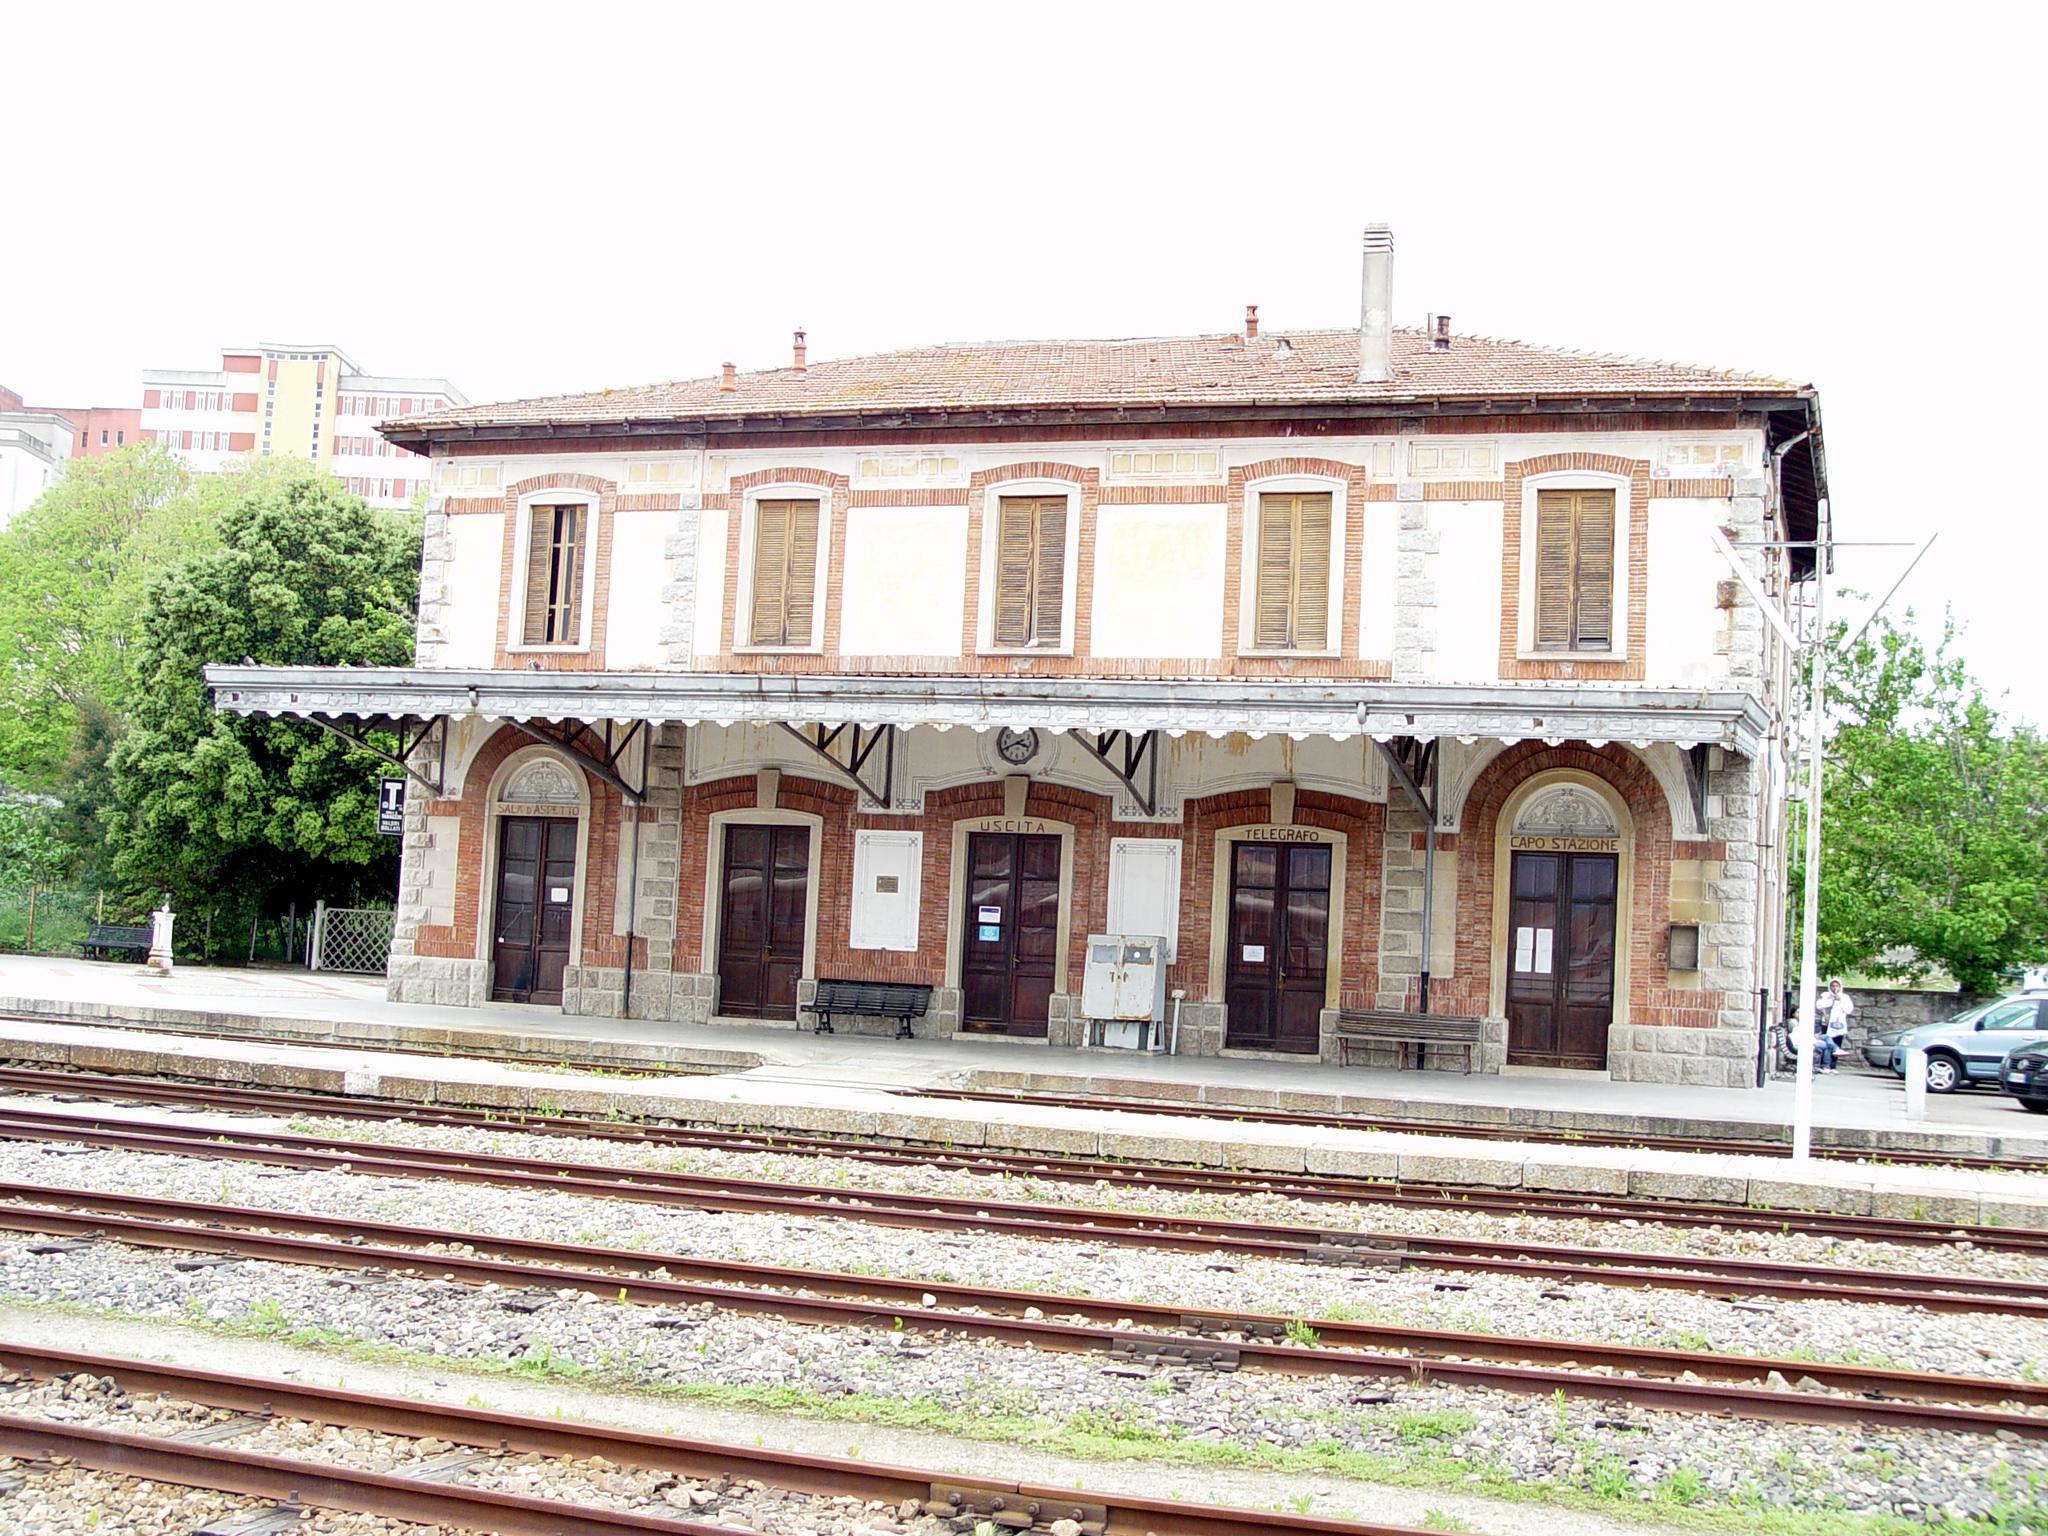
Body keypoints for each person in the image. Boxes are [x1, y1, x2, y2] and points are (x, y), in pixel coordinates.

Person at [1814, 978, 1854, 1073]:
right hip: (1827, 1024)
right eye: (1833, 986)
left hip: (1838, 1025)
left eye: (1837, 986)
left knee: (1836, 1044)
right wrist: (1831, 1000)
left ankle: (1833, 1066)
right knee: (1827, 1044)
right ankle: (1825, 1065)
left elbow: (1849, 1009)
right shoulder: (1825, 996)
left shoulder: (1845, 997)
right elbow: (1819, 1006)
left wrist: (1840, 1001)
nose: (1834, 988)